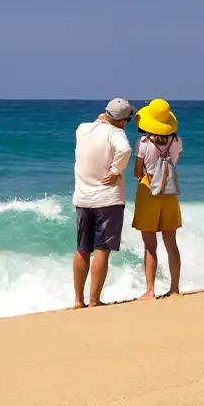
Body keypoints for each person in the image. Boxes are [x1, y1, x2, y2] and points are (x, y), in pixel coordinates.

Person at [72, 98, 133, 308]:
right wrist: (115, 171)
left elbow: (96, 128)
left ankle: (78, 300)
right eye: (128, 120)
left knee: (82, 250)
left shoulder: (82, 128)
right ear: (122, 121)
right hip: (108, 199)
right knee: (101, 250)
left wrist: (105, 120)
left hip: (82, 199)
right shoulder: (116, 133)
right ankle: (94, 300)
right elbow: (125, 150)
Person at [131, 99, 183, 299]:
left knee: (150, 244)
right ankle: (175, 288)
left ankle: (150, 290)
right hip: (169, 191)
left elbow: (137, 172)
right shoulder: (177, 141)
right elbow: (174, 162)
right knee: (171, 242)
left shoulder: (143, 143)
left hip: (148, 190)